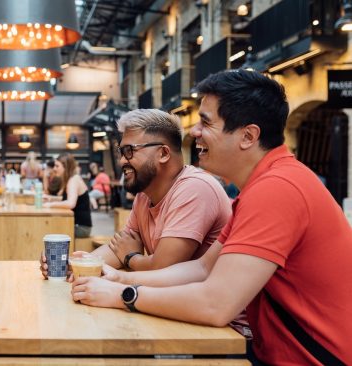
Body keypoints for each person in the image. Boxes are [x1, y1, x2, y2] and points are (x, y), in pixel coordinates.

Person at [72, 70, 352, 365]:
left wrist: (124, 294)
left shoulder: (277, 189)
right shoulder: (263, 186)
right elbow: (204, 268)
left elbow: (216, 305)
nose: (193, 132)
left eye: (206, 122)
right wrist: (119, 277)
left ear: (248, 136)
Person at [42, 109, 231, 273]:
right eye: (121, 152)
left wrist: (131, 257)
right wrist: (75, 265)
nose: (122, 161)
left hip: (206, 312)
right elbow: (119, 249)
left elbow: (163, 269)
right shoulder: (144, 194)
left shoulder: (194, 188)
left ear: (164, 153)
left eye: (129, 151)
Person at [44, 153, 92, 238]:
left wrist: (50, 205)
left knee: (49, 230)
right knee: (49, 228)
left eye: (57, 166)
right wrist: (51, 199)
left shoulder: (73, 180)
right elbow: (66, 199)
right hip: (78, 225)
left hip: (81, 228)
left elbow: (70, 203)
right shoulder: (71, 179)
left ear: (65, 167)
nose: (54, 169)